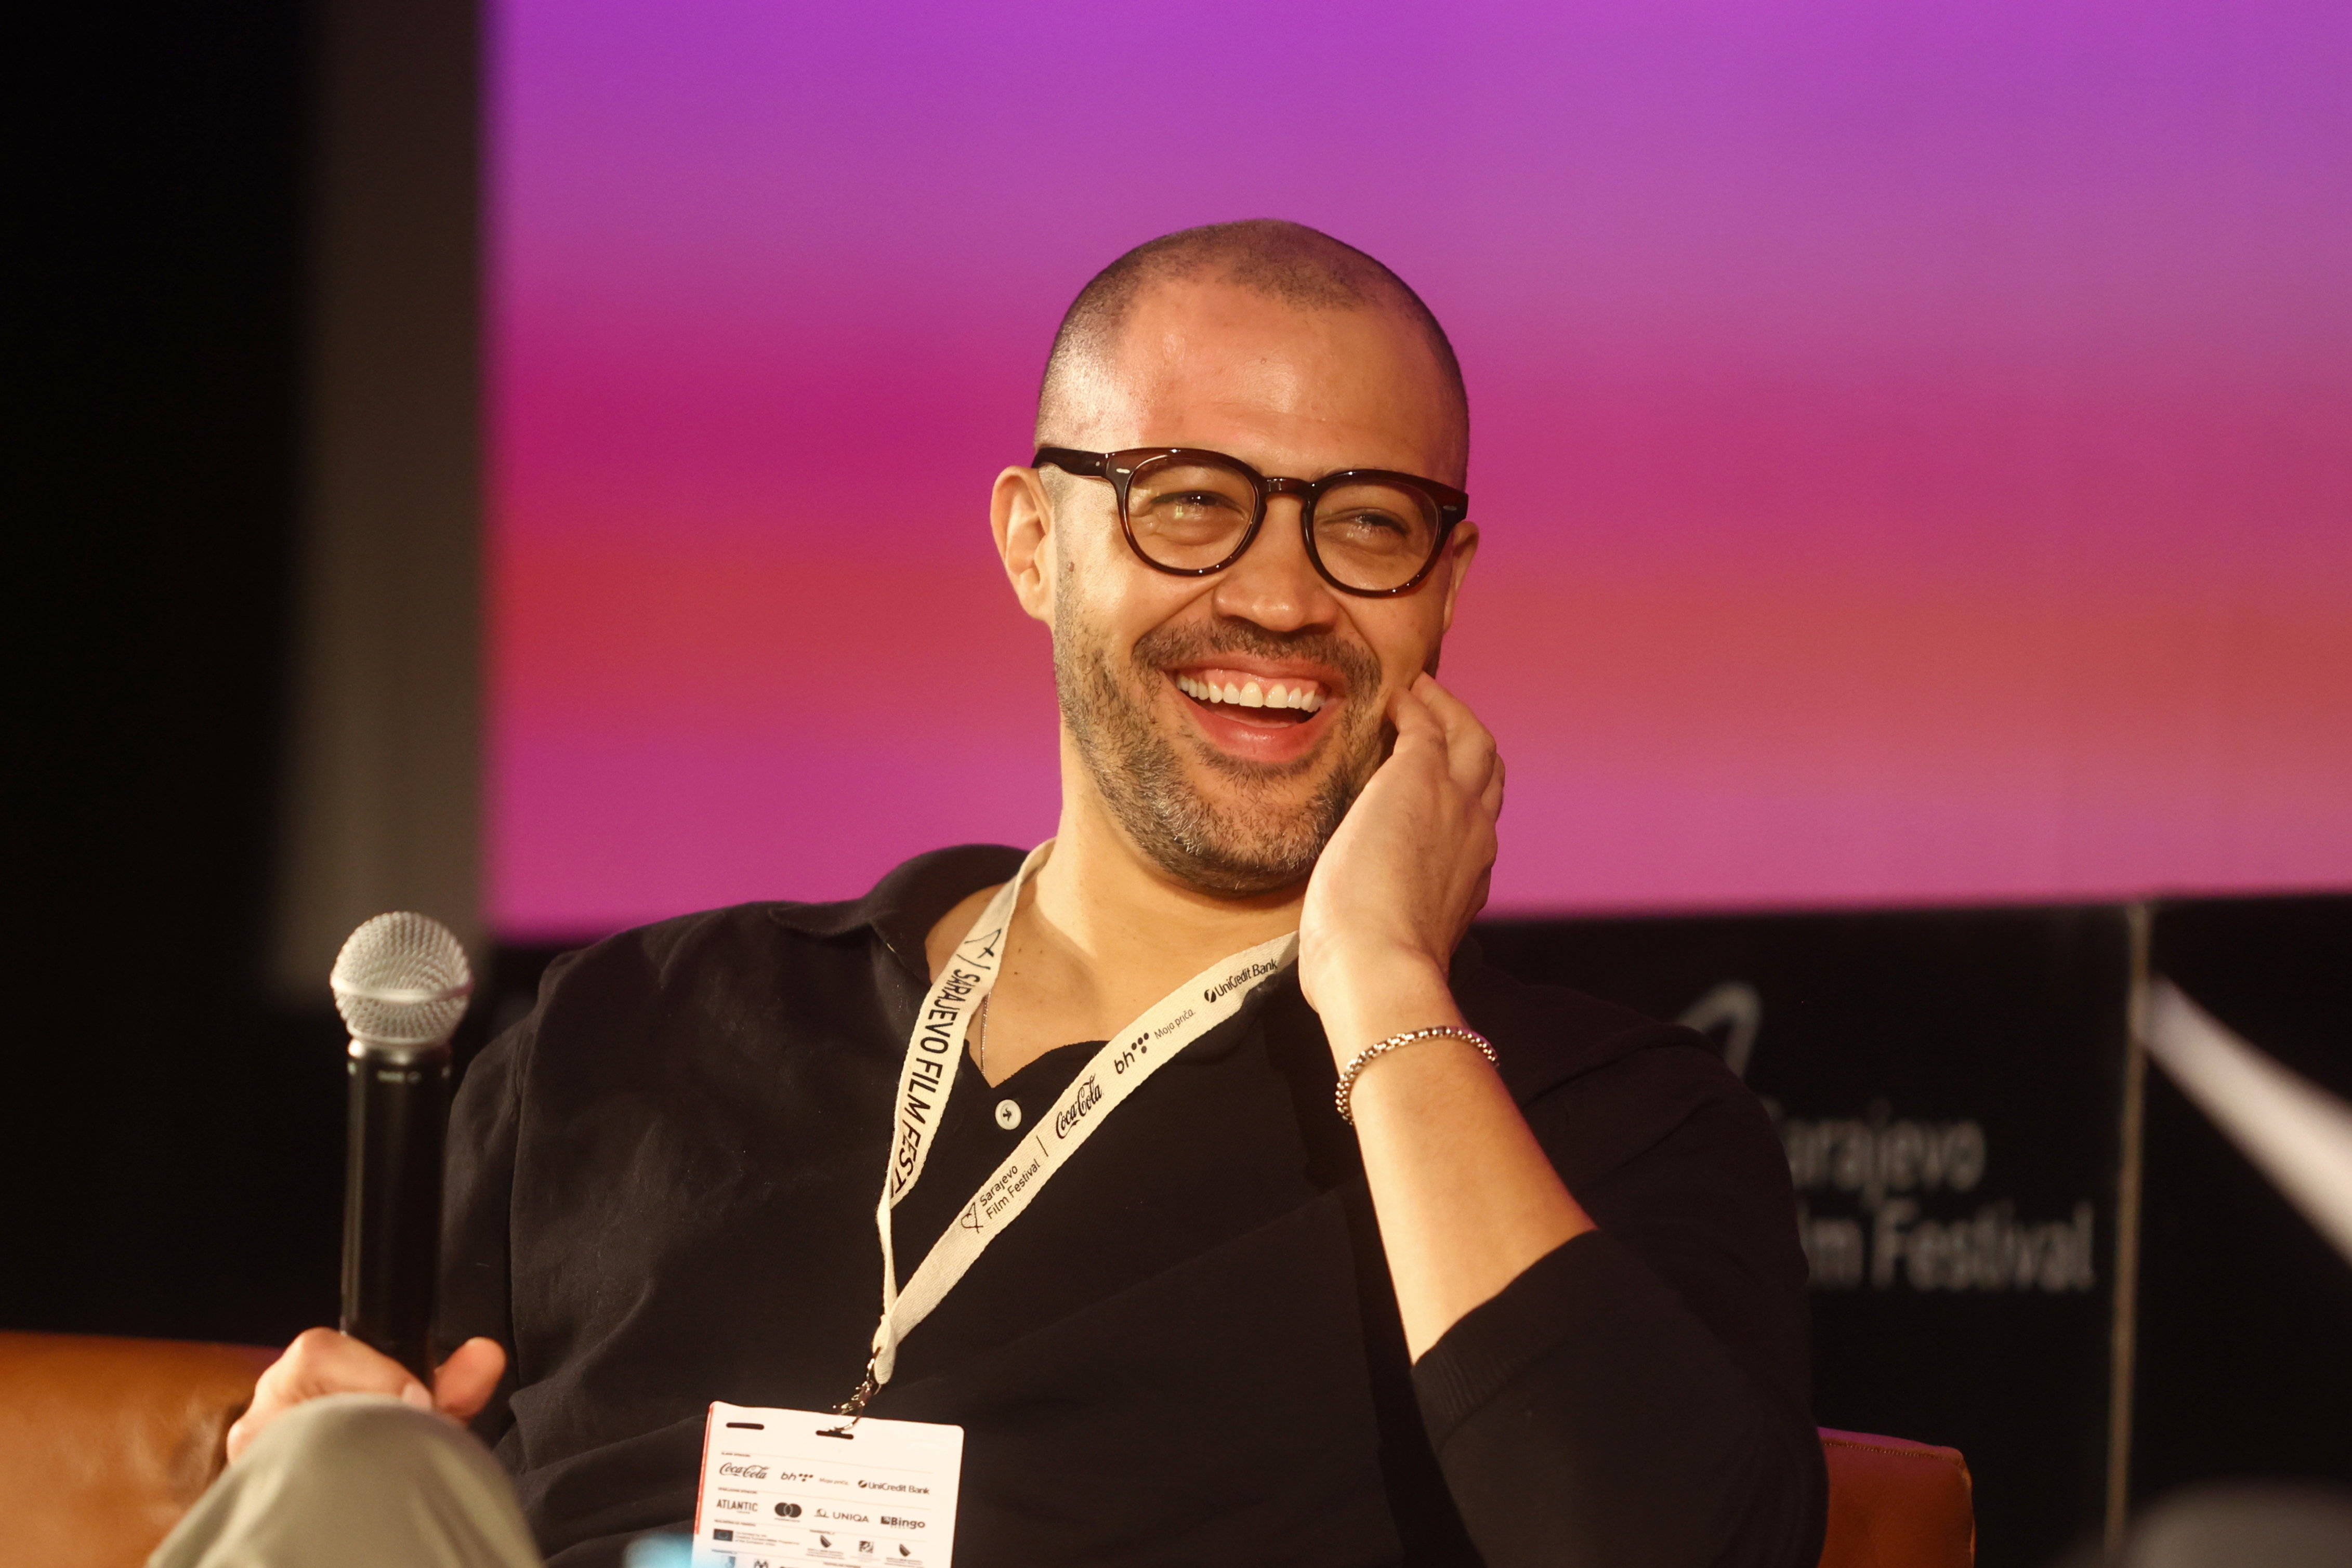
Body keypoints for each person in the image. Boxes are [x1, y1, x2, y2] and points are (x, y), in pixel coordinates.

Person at [158, 220, 1827, 1568]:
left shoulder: (1595, 1123)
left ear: (1446, 589)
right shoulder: (634, 1029)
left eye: (1367, 527)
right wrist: (335, 1455)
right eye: (1188, 504)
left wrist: (1387, 977)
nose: (1278, 592)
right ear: (1036, 543)